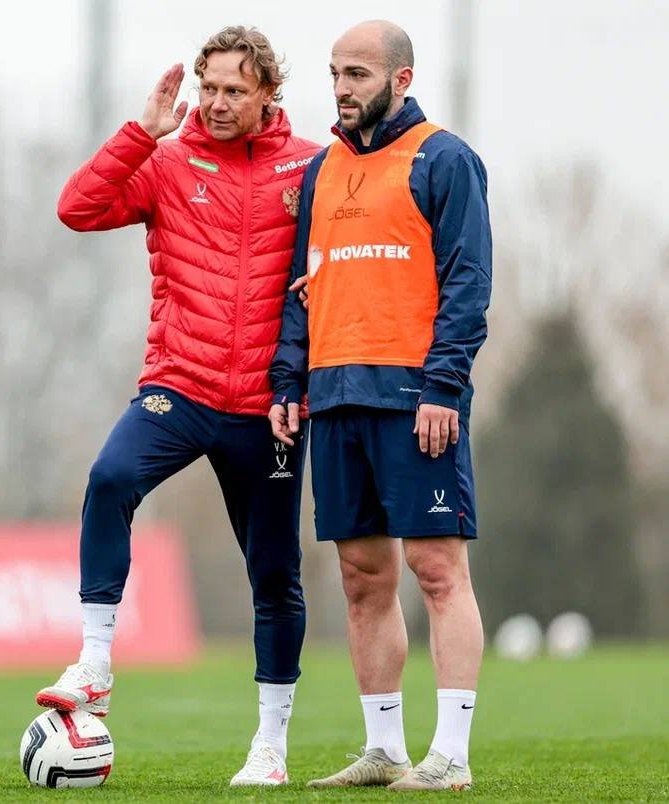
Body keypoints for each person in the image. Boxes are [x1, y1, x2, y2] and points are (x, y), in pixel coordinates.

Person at [37, 26, 320, 786]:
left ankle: (270, 747)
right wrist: (141, 133)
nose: (218, 103)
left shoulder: (310, 167)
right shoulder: (166, 162)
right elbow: (76, 208)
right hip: (181, 386)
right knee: (110, 478)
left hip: (267, 408)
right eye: (209, 88)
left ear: (269, 93)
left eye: (235, 90)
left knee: (275, 575)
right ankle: (95, 663)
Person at [269, 20, 492, 792]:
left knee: (437, 568)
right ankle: (384, 749)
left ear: (401, 79)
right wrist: (288, 382)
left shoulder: (444, 159)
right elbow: (301, 287)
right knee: (363, 576)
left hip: (414, 398)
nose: (341, 87)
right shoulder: (323, 169)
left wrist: (444, 387)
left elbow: (468, 282)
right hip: (335, 395)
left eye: (357, 73)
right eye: (335, 72)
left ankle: (451, 756)